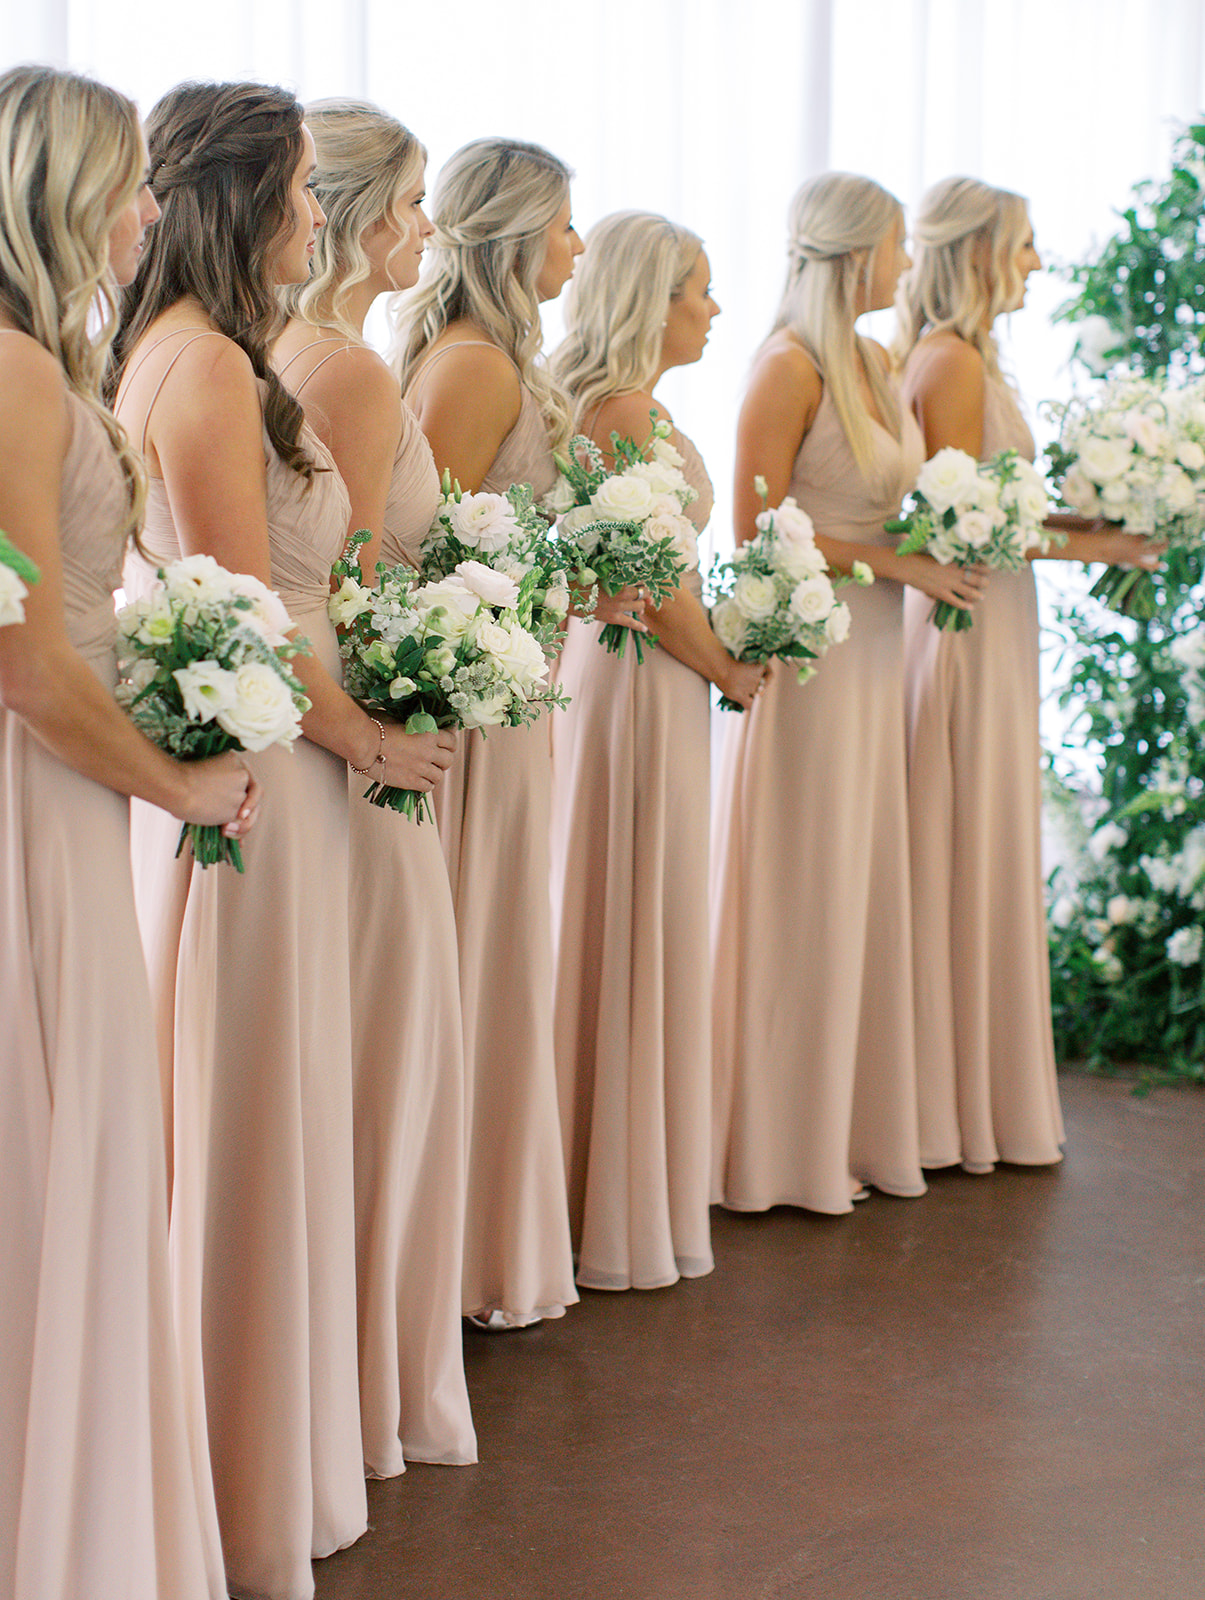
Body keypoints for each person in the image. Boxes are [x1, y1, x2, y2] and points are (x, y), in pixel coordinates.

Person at [112, 81, 449, 1600]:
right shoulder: (192, 373)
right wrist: (374, 741)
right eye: (306, 191)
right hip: (267, 789)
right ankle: (248, 1471)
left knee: (296, 1101)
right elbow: (251, 630)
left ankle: (291, 1432)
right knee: (258, 1113)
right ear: (243, 199)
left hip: (292, 783)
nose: (318, 216)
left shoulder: (227, 358)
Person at [0, 64, 257, 1600]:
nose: (149, 210)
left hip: (66, 791)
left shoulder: (43, 364)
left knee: (72, 1134)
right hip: (44, 798)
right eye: (127, 180)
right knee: (57, 1141)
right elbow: (24, 655)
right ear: (58, 189)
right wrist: (173, 786)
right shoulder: (20, 373)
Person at [274, 96, 474, 1473]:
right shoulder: (340, 367)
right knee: (392, 1052)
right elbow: (336, 587)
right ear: (346, 217)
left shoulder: (331, 351)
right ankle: (350, 1375)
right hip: (351, 752)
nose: (423, 227)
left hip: (355, 728)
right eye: (406, 203)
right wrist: (465, 623)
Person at [711, 173, 970, 1216]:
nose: (907, 264)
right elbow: (754, 536)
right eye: (896, 244)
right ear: (856, 253)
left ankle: (851, 1127)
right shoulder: (785, 366)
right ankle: (775, 1145)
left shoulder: (874, 357)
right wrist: (897, 566)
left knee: (863, 880)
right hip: (814, 659)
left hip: (869, 660)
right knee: (805, 886)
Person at [895, 176, 1158, 1173]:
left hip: (992, 616)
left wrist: (1107, 525)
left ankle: (967, 1086)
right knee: (959, 832)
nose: (1038, 266)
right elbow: (961, 524)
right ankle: (942, 1097)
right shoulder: (949, 360)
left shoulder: (966, 358)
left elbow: (997, 514)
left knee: (982, 830)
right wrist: (1096, 548)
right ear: (975, 254)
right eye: (1024, 246)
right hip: (964, 618)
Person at [393, 136, 598, 1328]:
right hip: (480, 716)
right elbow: (413, 553)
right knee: (487, 959)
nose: (577, 244)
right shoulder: (473, 368)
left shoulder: (503, 359)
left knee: (509, 956)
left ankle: (484, 1245)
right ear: (519, 236)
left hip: (517, 703)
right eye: (566, 224)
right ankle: (462, 1262)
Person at [548, 210, 764, 1290]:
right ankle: (613, 1196)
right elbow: (658, 585)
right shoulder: (621, 409)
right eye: (698, 289)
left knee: (632, 911)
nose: (714, 308)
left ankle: (611, 1178)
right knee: (635, 911)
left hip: (639, 675)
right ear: (648, 298)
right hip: (638, 678)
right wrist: (729, 665)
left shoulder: (627, 404)